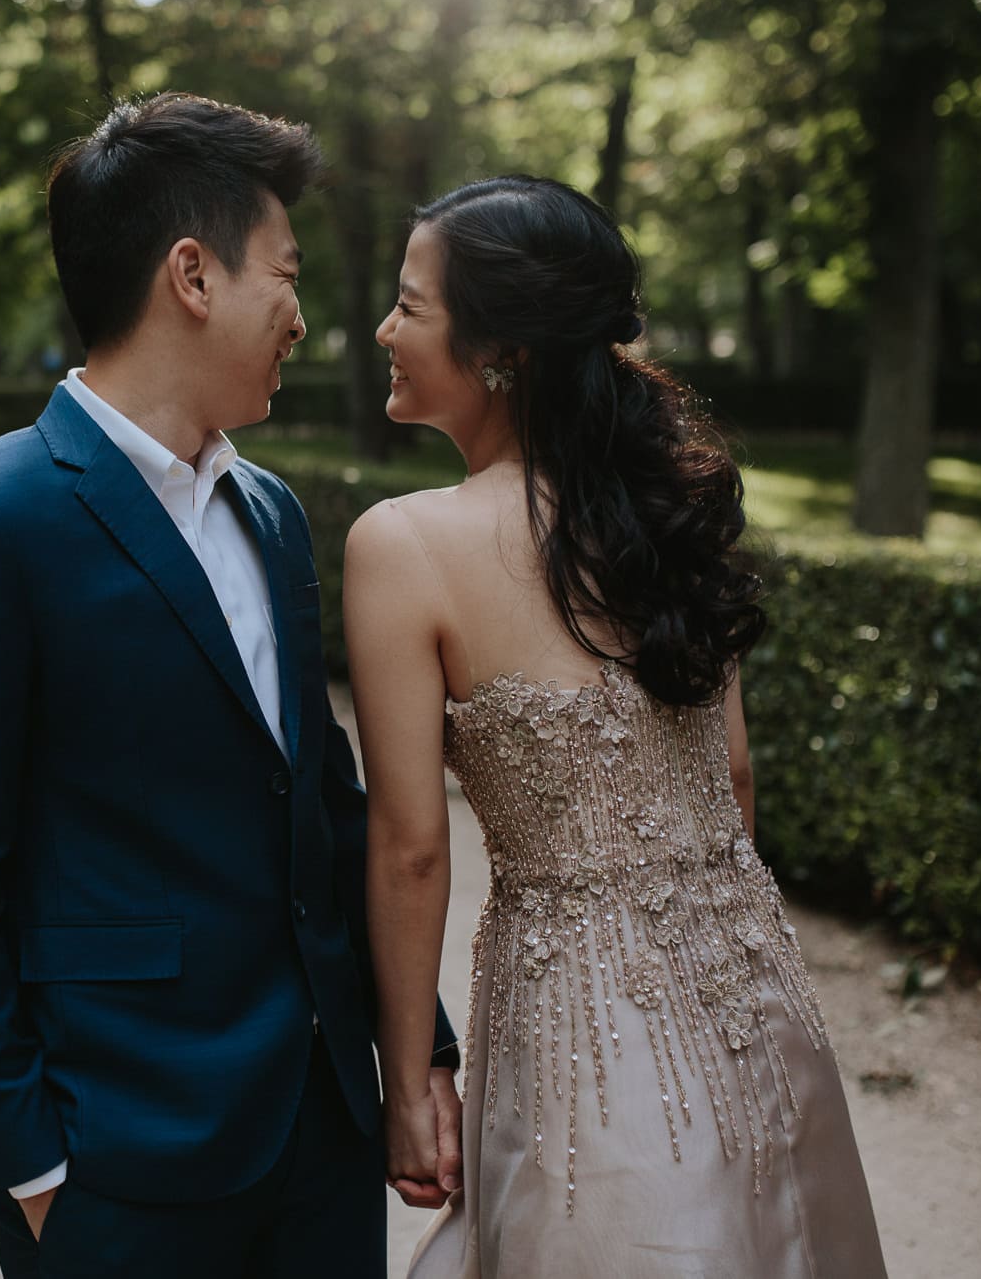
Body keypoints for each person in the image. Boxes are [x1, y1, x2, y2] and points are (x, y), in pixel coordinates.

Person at [0, 93, 462, 1279]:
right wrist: (29, 1166)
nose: (301, 317)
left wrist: (415, 1054)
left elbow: (324, 809)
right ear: (192, 276)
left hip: (320, 1141)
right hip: (117, 1166)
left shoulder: (273, 513)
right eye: (283, 275)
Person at [346, 175, 888, 1277]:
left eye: (410, 304)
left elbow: (408, 851)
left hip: (576, 1021)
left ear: (499, 346)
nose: (382, 329)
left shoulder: (402, 546)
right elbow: (730, 778)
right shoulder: (662, 510)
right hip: (753, 1002)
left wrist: (409, 1087)